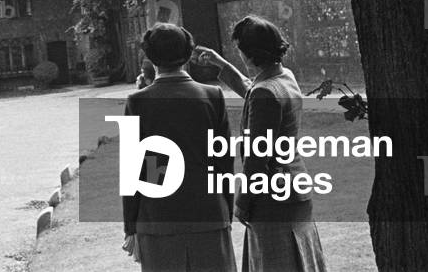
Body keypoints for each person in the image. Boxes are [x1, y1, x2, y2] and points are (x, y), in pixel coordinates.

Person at [195, 17, 327, 272]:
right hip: (296, 191)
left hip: (273, 200)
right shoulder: (284, 77)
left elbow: (257, 160)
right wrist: (220, 63)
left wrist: (242, 204)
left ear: (250, 53)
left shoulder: (265, 92)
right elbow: (252, 89)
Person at [122, 23, 237, 272]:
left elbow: (133, 173)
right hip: (209, 212)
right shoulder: (212, 96)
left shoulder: (137, 102)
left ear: (150, 57)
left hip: (159, 218)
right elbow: (224, 162)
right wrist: (225, 208)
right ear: (187, 55)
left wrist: (131, 226)